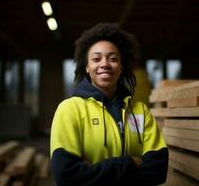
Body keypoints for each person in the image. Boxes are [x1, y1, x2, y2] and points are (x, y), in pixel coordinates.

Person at [50, 23, 168, 186]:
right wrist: (131, 163)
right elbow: (67, 176)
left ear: (121, 67)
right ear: (87, 67)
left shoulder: (140, 111)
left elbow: (158, 171)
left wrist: (94, 172)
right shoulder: (69, 110)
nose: (104, 64)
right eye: (96, 59)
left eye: (113, 58)